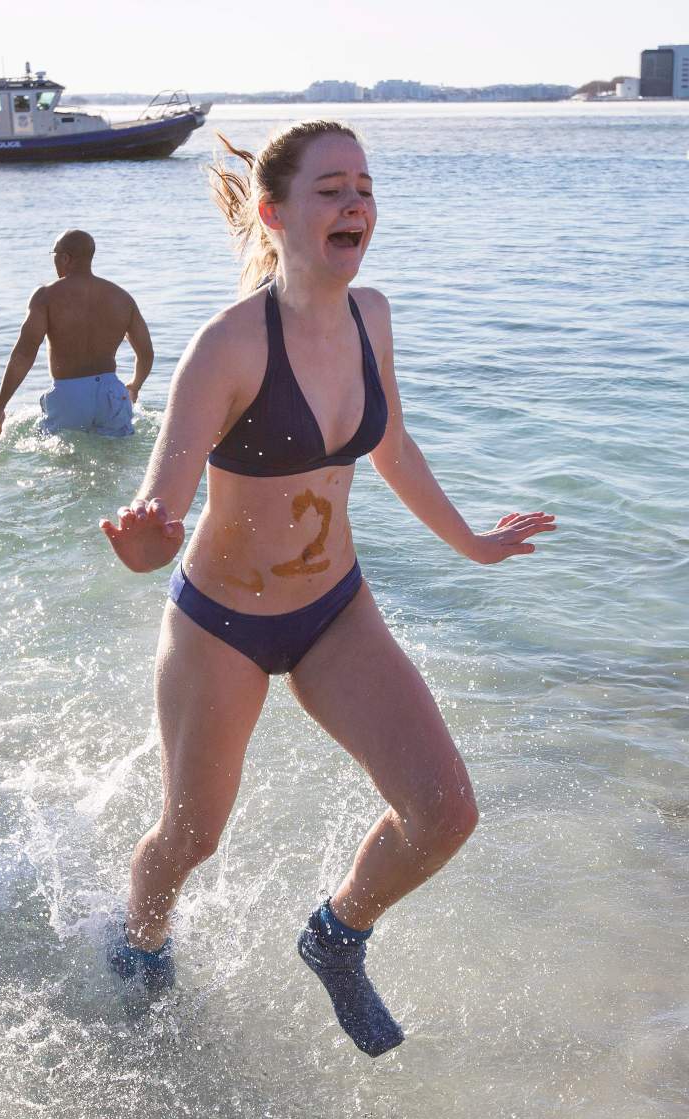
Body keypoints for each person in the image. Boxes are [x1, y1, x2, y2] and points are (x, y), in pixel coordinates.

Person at [99, 122, 556, 1055]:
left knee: (445, 810)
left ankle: (337, 935)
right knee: (189, 838)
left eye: (366, 188)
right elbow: (159, 515)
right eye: (331, 189)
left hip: (333, 610)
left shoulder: (370, 315)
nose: (356, 204)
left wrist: (471, 541)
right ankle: (139, 948)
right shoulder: (226, 348)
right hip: (221, 625)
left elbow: (389, 445)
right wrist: (142, 544)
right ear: (274, 215)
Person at [0, 230, 153, 442]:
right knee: (115, 463)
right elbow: (146, 353)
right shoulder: (122, 298)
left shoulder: (46, 297)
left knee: (62, 466)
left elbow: (23, 356)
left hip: (68, 395)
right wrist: (135, 385)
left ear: (64, 258)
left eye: (53, 254)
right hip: (111, 394)